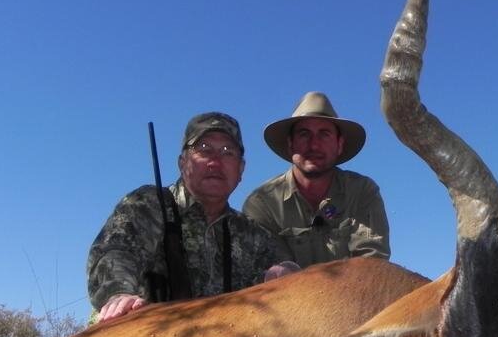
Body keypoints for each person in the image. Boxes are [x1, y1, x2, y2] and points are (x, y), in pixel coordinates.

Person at [87, 112, 283, 322]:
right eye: (204, 150)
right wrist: (119, 293)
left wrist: (283, 274)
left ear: (241, 169)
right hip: (146, 336)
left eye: (228, 152)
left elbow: (271, 285)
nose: (215, 162)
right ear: (183, 163)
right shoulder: (148, 204)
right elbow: (115, 252)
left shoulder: (253, 235)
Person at [243, 92, 390, 268]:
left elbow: (372, 264)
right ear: (290, 144)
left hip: (355, 293)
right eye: (304, 134)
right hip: (288, 295)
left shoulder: (362, 192)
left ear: (340, 144)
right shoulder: (262, 204)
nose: (314, 145)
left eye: (324, 134)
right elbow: (271, 275)